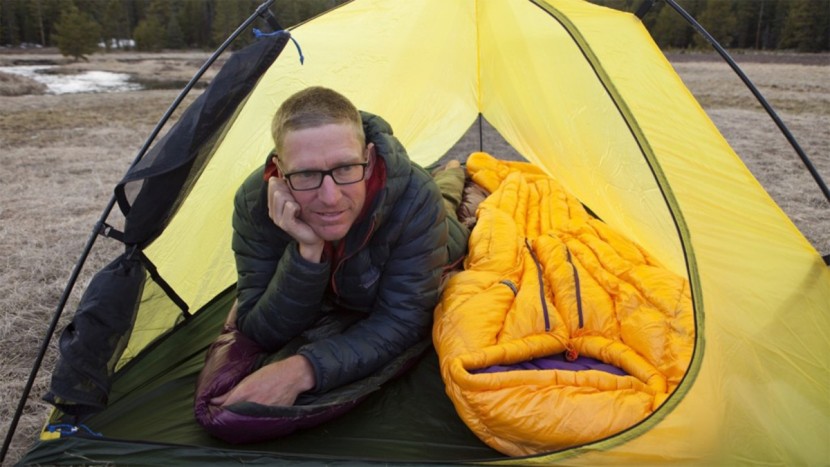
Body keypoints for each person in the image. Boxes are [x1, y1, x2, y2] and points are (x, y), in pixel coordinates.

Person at [209, 86, 468, 409]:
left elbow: (404, 319)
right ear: (279, 170)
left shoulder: (415, 198)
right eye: (306, 173)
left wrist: (304, 370)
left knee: (450, 200)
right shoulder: (254, 203)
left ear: (369, 160)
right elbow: (261, 328)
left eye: (345, 168)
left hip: (440, 229)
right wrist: (306, 250)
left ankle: (452, 170)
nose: (330, 198)